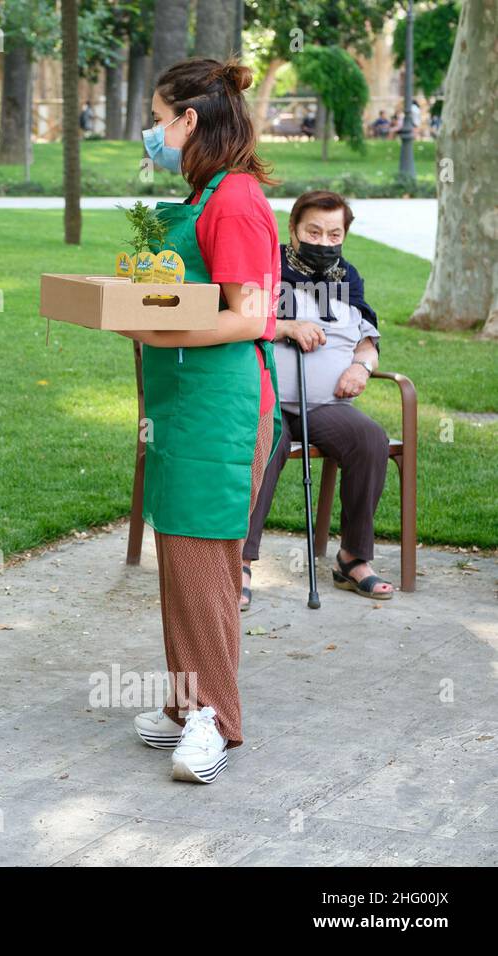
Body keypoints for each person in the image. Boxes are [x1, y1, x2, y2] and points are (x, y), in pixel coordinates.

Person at [123, 58, 282, 784]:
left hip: (221, 408)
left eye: (160, 118)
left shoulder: (236, 200)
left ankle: (215, 717)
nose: (154, 132)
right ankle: (187, 703)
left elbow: (252, 315)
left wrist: (160, 331)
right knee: (182, 560)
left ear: (190, 121)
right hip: (186, 404)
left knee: (207, 563)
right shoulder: (209, 191)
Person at [243, 191, 392, 606]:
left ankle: (352, 559)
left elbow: (367, 336)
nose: (324, 242)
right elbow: (240, 318)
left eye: (334, 234)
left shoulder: (348, 278)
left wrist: (360, 367)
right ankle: (240, 560)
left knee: (369, 439)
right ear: (292, 229)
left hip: (326, 403)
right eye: (313, 231)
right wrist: (287, 327)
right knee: (267, 443)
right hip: (268, 398)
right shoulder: (266, 263)